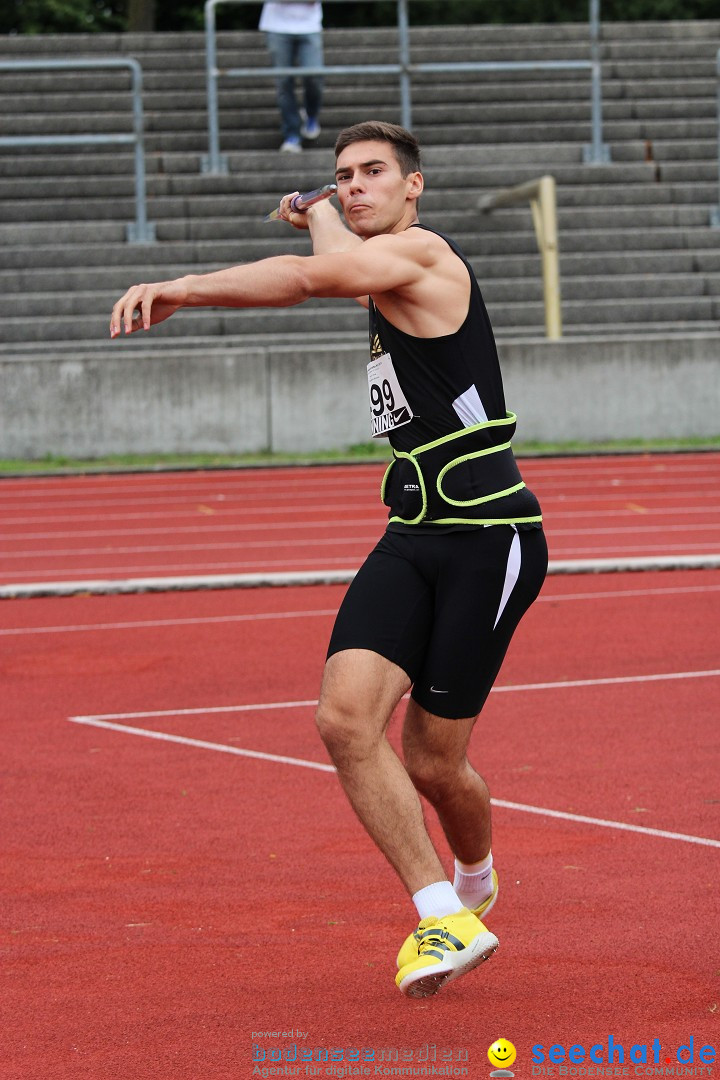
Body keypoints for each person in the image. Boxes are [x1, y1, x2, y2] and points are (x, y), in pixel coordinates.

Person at [109, 120, 548, 999]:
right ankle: (443, 915)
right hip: (412, 532)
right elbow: (338, 257)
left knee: (432, 762)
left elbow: (314, 275)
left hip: (488, 537)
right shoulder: (379, 272)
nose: (354, 187)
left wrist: (186, 288)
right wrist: (315, 208)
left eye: (372, 173)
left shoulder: (423, 256)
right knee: (345, 721)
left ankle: (474, 874)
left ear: (414, 186)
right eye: (341, 176)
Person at [259, 1, 324, 153]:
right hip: (277, 26)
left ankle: (311, 115)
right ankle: (292, 134)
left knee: (314, 77)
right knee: (284, 82)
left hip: (310, 26)